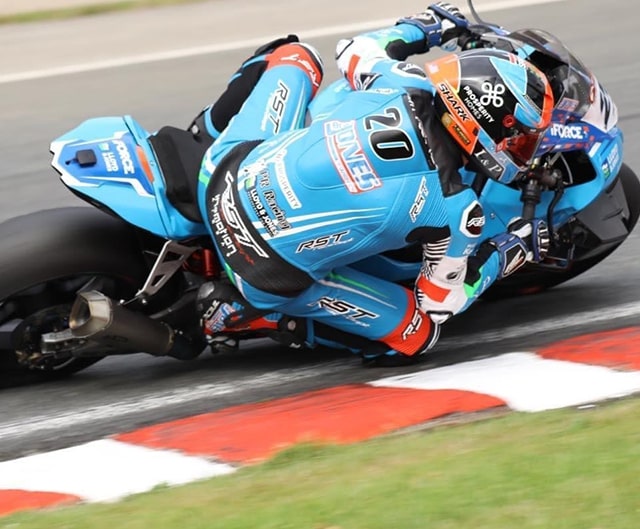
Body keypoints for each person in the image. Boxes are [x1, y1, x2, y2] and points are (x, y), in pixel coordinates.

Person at [190, 2, 552, 366]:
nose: (521, 147)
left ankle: (200, 133)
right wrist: (510, 250)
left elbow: (353, 49)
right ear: (483, 123)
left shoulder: (402, 81)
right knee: (417, 333)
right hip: (262, 270)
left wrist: (427, 27)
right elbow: (441, 303)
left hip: (220, 172)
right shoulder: (457, 209)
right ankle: (254, 315)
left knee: (296, 56)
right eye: (518, 137)